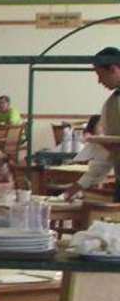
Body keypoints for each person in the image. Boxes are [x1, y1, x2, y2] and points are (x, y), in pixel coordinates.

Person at [62, 47, 120, 201]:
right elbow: (105, 156)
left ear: (113, 69)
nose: (99, 81)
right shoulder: (110, 105)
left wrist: (101, 140)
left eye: (100, 75)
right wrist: (79, 185)